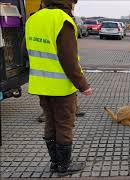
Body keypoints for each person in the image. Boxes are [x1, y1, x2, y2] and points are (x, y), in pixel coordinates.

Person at [23, 0, 93, 176]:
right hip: (61, 86)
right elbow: (68, 59)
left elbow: (24, 49)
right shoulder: (63, 20)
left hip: (40, 84)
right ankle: (64, 166)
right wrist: (83, 85)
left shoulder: (33, 19)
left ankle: (55, 162)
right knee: (64, 124)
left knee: (50, 121)